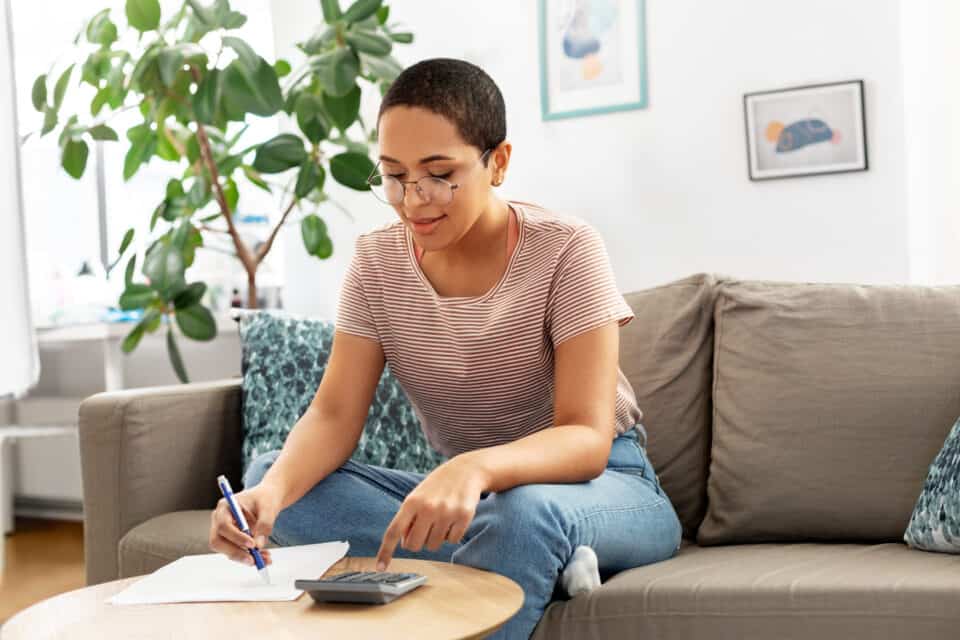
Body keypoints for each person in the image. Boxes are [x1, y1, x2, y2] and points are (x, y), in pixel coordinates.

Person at [208, 57, 682, 639]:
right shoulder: (376, 262)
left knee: (524, 513)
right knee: (275, 478)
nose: (414, 200)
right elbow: (333, 414)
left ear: (498, 162)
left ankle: (529, 545)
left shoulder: (567, 249)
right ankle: (530, 560)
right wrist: (270, 496)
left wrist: (474, 466)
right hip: (481, 502)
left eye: (439, 174)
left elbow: (586, 439)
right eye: (393, 176)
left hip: (604, 486)